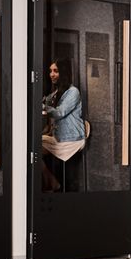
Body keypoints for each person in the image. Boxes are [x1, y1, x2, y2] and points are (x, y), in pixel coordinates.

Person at [41, 58, 86, 192]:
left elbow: (60, 113)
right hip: (60, 136)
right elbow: (45, 101)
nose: (51, 74)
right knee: (31, 149)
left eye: (56, 71)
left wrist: (42, 106)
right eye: (50, 71)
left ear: (64, 73)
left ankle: (52, 183)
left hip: (72, 138)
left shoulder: (73, 92)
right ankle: (51, 182)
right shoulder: (57, 92)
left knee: (34, 150)